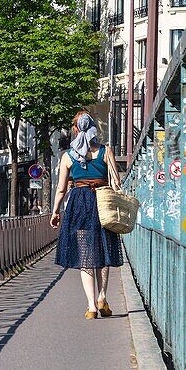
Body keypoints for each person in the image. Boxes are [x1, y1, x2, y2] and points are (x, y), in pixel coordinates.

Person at [50, 112, 123, 319]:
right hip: (102, 202)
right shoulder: (105, 151)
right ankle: (102, 297)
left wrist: (56, 211)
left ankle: (91, 306)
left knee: (85, 255)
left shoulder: (68, 156)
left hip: (79, 204)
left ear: (75, 130)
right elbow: (116, 181)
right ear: (93, 128)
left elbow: (61, 190)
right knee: (104, 252)